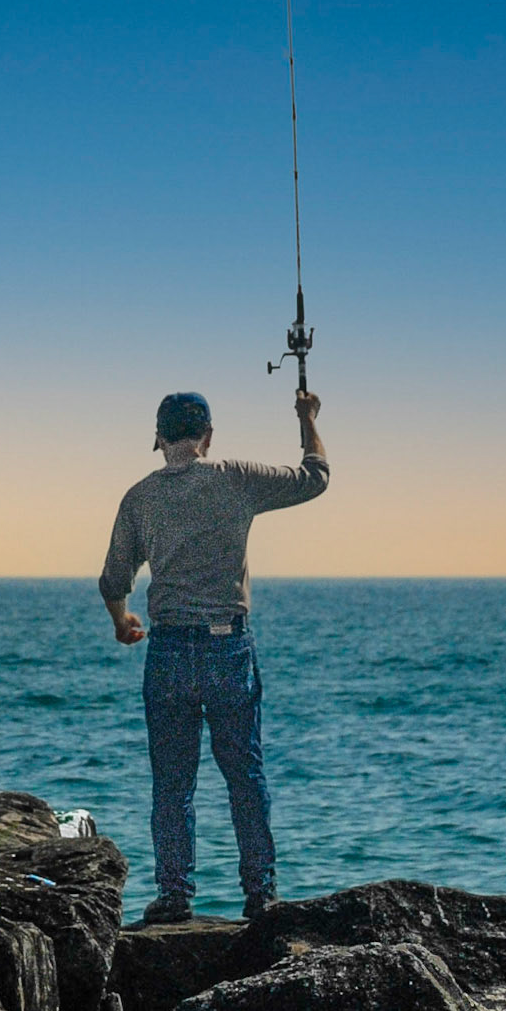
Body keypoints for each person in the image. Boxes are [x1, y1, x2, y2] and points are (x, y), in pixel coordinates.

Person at [99, 387, 328, 924]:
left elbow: (113, 580)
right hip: (228, 646)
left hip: (170, 649)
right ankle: (261, 896)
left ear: (158, 439)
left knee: (173, 784)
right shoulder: (235, 479)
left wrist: (122, 621)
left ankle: (176, 895)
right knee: (245, 777)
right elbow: (315, 476)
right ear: (208, 437)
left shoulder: (140, 497)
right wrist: (307, 417)